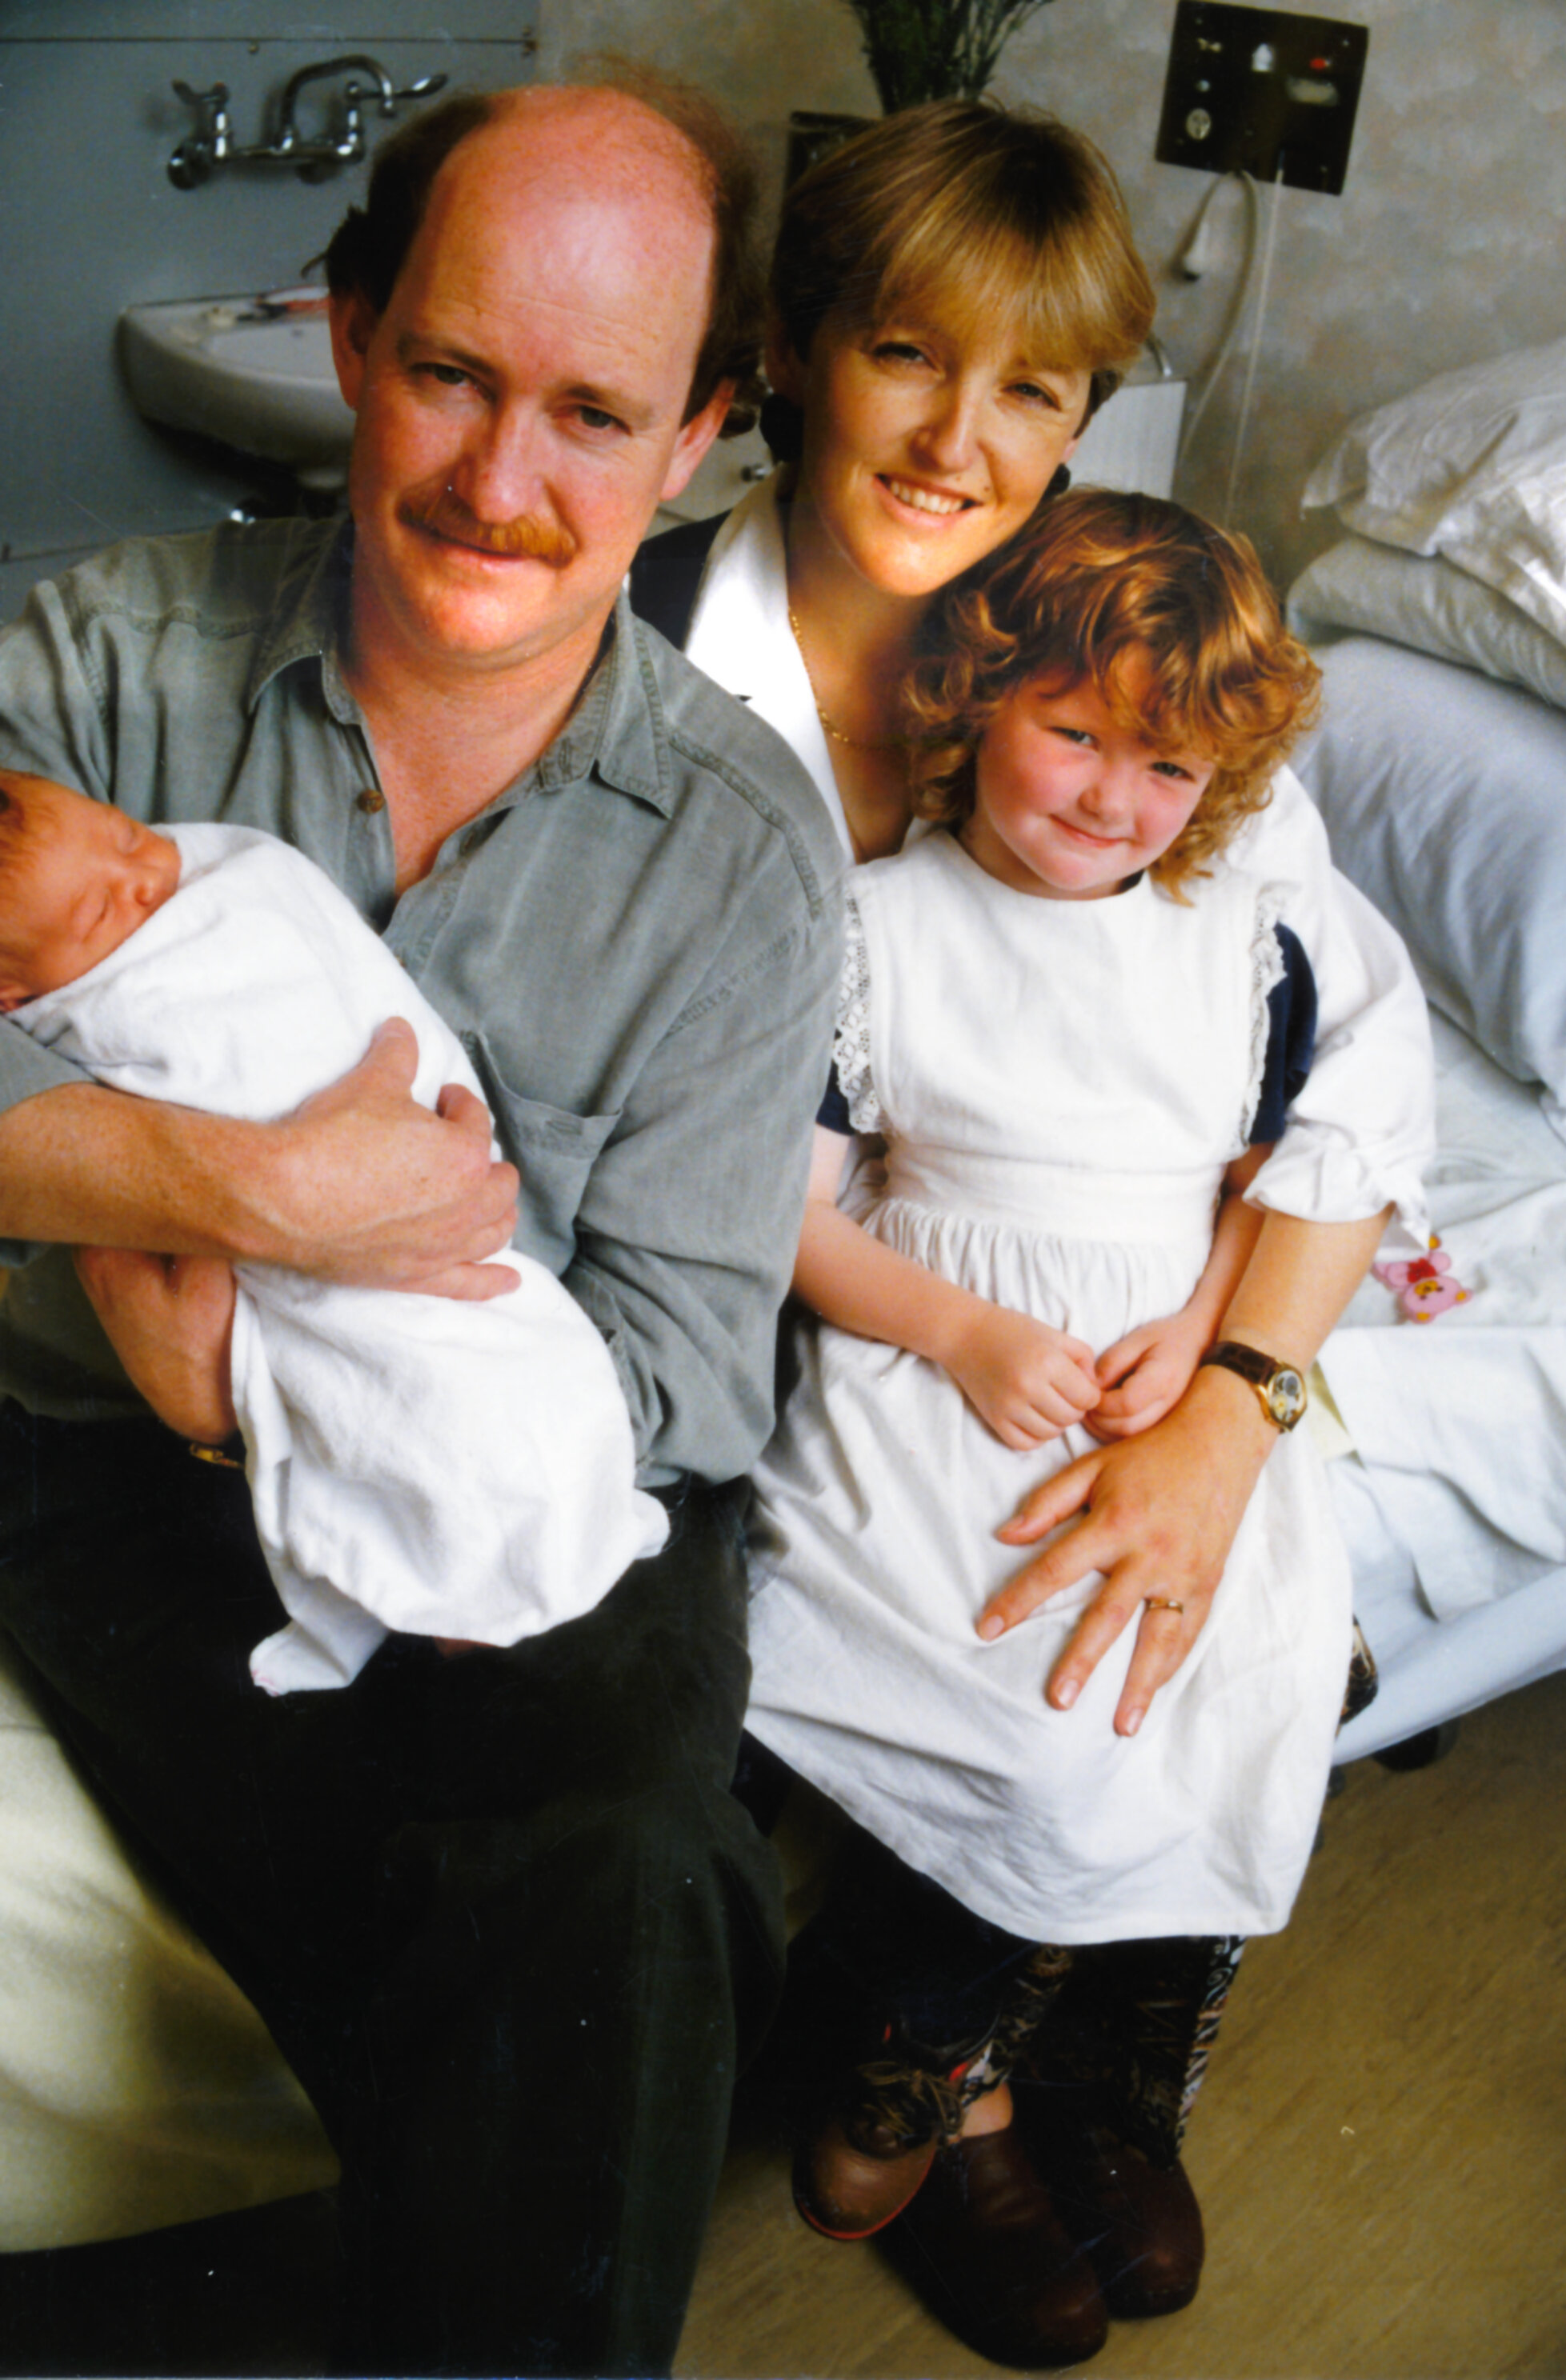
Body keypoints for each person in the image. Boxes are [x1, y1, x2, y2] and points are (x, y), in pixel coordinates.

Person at [0, 75, 842, 2379]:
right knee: (533, 1938)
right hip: (94, 1462)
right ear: (352, 333)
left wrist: (309, 1383)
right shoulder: (94, 674)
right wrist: (215, 1194)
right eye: (456, 370)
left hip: (530, 1480)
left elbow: (682, 1382)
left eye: (596, 413)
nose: (501, 481)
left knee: (624, 1863)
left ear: (697, 437)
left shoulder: (739, 855)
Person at [629, 97, 1434, 2333]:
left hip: (1143, 1324)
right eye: (907, 353)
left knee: (1239, 1622)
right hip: (791, 1293)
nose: (960, 440)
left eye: (1037, 388)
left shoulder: (1141, 634)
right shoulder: (651, 650)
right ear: (793, 353)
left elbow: (1334, 1057)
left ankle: (1090, 2051)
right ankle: (945, 2078)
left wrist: (1231, 1399)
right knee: (977, 1648)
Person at [743, 490, 1430, 2366]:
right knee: (1030, 1704)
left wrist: (1204, 1347)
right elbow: (791, 1214)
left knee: (1258, 1659)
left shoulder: (1238, 934)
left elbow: (1269, 1186)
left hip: (1161, 1359)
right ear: (978, 699)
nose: (1113, 799)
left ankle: (1089, 2070)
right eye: (1072, 732)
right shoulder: (876, 925)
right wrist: (959, 1328)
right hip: (941, 1357)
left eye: (1166, 766)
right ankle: (928, 2067)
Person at [0, 770, 669, 1694]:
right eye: (101, 911)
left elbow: (693, 1354)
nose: (149, 881)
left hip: (486, 1275)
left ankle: (515, 1555)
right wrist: (278, 1197)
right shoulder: (86, 704)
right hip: (124, 1439)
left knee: (520, 1405)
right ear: (13, 993)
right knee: (423, 1423)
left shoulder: (239, 886)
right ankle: (459, 1590)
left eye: (124, 835)